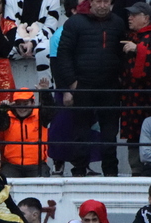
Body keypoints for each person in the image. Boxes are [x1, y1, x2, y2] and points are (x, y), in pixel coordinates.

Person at [54, 0, 126, 177]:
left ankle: (111, 172)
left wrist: (120, 78)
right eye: (98, 1)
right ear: (90, 3)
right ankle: (79, 171)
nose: (102, 5)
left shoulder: (118, 23)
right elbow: (63, 55)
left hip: (110, 87)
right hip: (83, 85)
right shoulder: (75, 23)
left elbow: (123, 53)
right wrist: (72, 83)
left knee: (110, 132)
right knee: (81, 132)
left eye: (106, 1)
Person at [120, 1, 151, 176]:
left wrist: (138, 49)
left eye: (134, 15)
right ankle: (136, 168)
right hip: (131, 98)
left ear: (146, 18)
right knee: (133, 135)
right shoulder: (131, 36)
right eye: (129, 15)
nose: (130, 18)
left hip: (149, 98)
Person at [0, 84, 55, 177]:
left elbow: (50, 112)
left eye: (25, 104)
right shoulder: (8, 116)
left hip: (36, 165)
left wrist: (45, 93)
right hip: (12, 165)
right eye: (18, 104)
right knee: (4, 182)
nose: (22, 108)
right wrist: (1, 111)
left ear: (33, 103)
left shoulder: (40, 115)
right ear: (14, 104)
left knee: (41, 182)